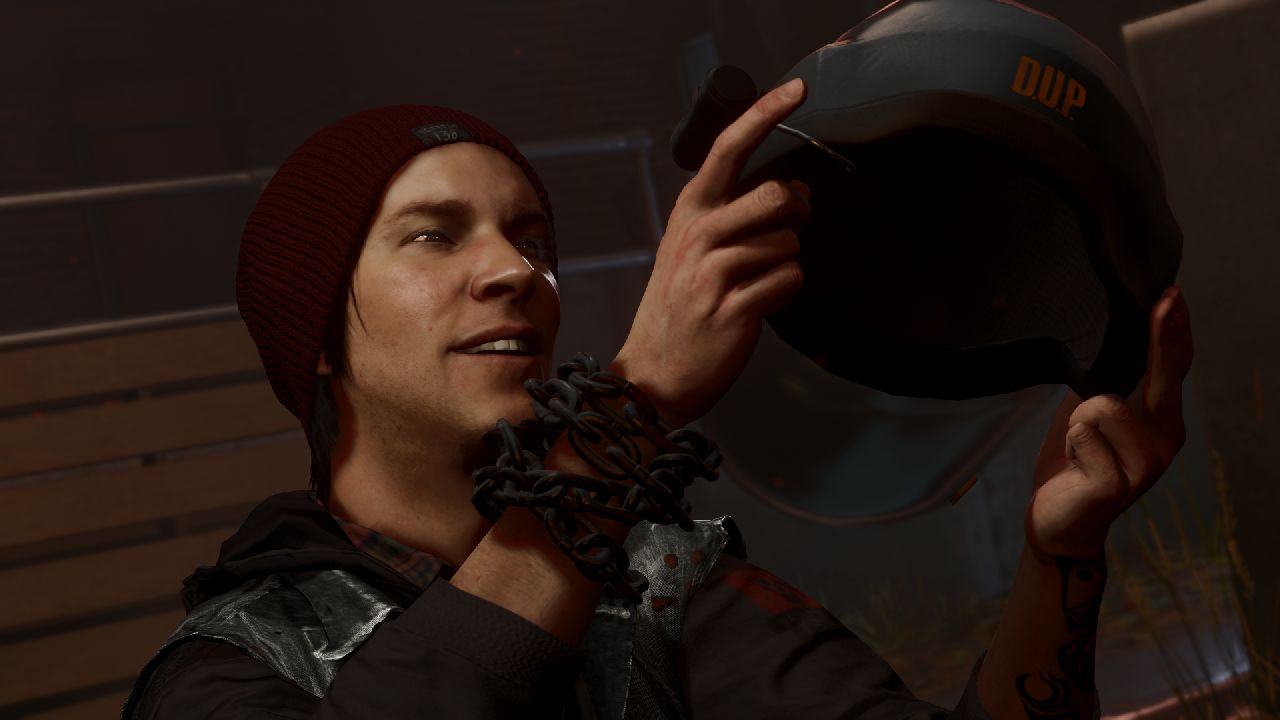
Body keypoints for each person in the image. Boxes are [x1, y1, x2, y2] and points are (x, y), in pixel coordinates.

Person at [121, 78, 1194, 719]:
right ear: (318, 335)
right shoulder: (233, 664)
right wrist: (629, 405)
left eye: (531, 238)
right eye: (435, 235)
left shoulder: (661, 588)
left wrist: (1059, 558)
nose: (515, 272)